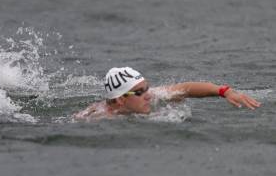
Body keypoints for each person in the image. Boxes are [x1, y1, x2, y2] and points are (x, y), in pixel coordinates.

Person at [74, 67, 261, 121]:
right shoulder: (100, 118)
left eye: (147, 88)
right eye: (140, 92)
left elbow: (186, 88)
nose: (148, 95)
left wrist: (224, 91)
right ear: (121, 99)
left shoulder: (152, 95)